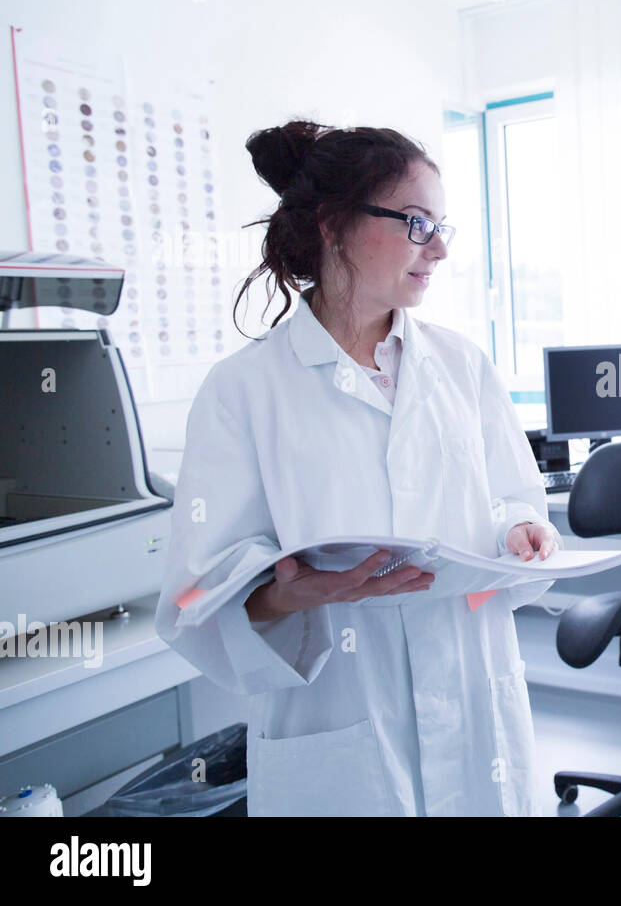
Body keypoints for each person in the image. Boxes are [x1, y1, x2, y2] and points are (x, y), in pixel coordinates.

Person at [155, 120, 563, 816]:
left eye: (441, 226)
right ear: (333, 225)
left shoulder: (461, 365)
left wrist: (524, 528)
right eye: (414, 222)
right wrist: (292, 595)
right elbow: (196, 596)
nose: (437, 247)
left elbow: (511, 499)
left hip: (474, 706)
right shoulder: (244, 390)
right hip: (340, 725)